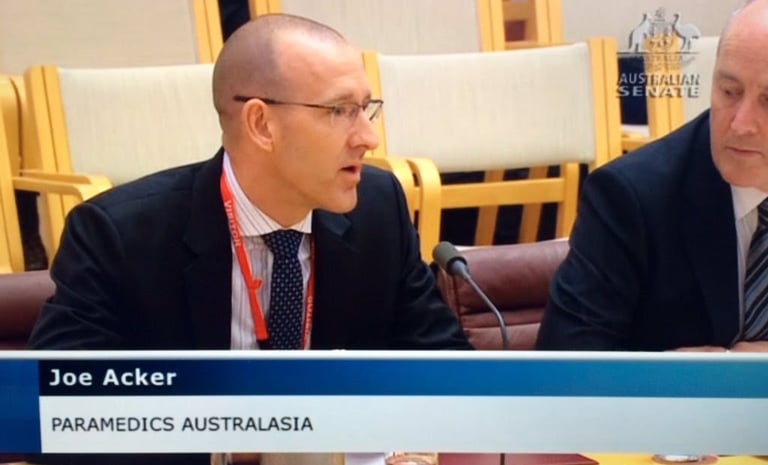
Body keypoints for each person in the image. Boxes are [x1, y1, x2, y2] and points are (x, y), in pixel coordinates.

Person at [27, 14, 471, 465]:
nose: (369, 138)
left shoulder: (378, 210)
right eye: (340, 111)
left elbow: (445, 370)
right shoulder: (120, 235)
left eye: (366, 107)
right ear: (261, 123)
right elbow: (55, 417)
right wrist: (243, 439)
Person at [537, 0, 768, 352]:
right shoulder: (630, 198)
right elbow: (567, 369)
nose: (740, 124)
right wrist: (675, 378)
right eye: (729, 92)